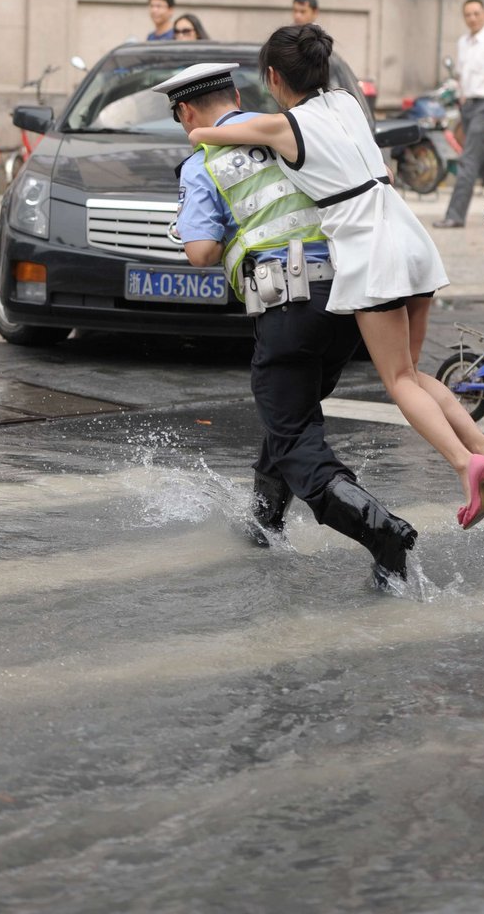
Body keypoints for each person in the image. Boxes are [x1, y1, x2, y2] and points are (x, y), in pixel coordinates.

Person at [185, 25, 484, 530]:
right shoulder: (346, 102)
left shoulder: (284, 126)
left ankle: (464, 464)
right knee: (414, 368)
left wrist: (200, 127)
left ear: (273, 77)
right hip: (409, 235)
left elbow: (205, 134)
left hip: (370, 248)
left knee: (399, 379)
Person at [152, 61, 419, 587]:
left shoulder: (203, 162)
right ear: (234, 94)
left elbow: (202, 252)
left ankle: (379, 529)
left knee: (296, 436)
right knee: (291, 413)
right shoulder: (291, 130)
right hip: (347, 301)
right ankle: (264, 519)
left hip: (288, 309)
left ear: (185, 112)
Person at [433, 0, 484, 230]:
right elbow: (462, 76)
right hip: (468, 107)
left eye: (476, 13)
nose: (472, 18)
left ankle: (455, 215)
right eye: (468, 14)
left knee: (468, 160)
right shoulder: (463, 42)